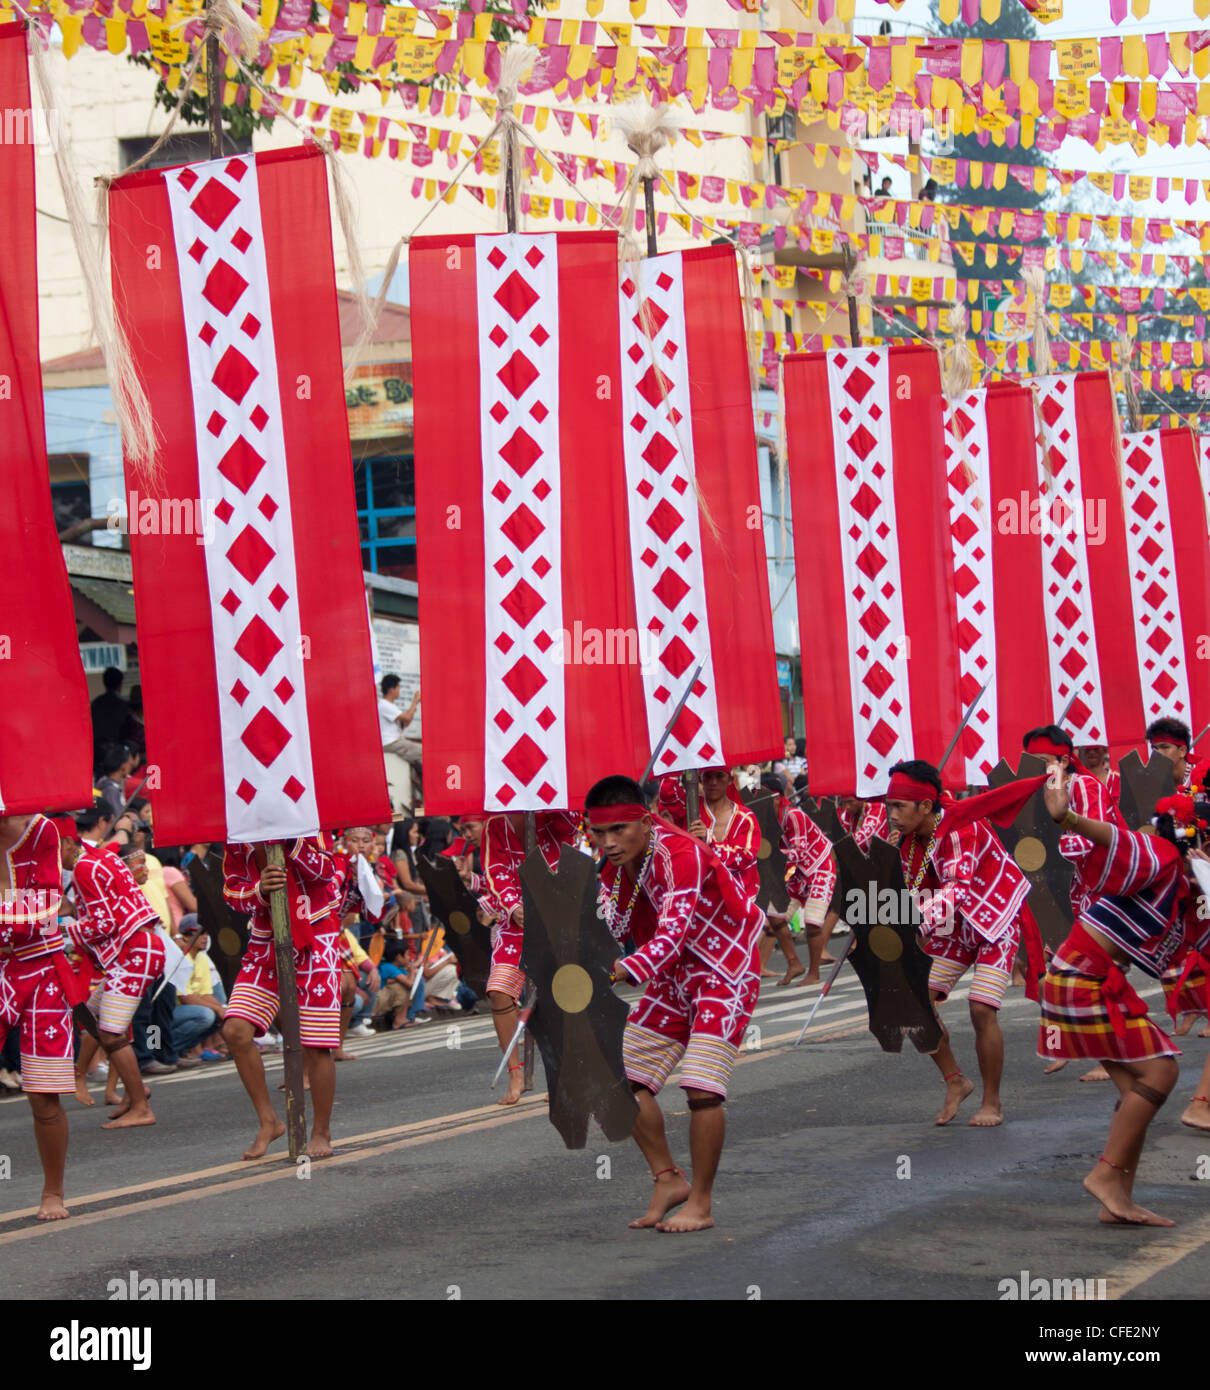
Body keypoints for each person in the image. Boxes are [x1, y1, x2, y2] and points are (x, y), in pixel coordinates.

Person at [588, 775, 764, 1234]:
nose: (607, 842)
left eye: (618, 830)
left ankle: (701, 1203)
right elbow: (612, 924)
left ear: (646, 822)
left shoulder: (680, 853)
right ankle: (668, 1179)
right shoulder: (620, 862)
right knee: (619, 1080)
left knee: (701, 1089)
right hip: (674, 978)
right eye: (598, 833)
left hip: (725, 970)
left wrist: (614, 971)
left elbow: (672, 934)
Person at [1037, 761, 1210, 1226]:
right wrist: (1068, 818)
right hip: (1080, 977)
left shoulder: (1196, 888)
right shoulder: (1163, 856)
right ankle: (1107, 1177)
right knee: (1162, 1072)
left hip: (1087, 978)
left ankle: (1119, 1196)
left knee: (1140, 1088)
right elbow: (1118, 840)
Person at [885, 759, 1034, 1128]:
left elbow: (956, 891)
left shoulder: (958, 828)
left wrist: (909, 921)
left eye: (898, 807)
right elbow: (899, 889)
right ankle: (956, 1080)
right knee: (913, 1006)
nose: (890, 815)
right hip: (953, 928)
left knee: (981, 1009)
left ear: (924, 806)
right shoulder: (905, 837)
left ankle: (992, 1102)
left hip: (993, 919)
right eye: (889, 806)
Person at [222, 837, 341, 1160]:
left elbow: (329, 871)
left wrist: (292, 845)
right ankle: (269, 1121)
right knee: (235, 1030)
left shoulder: (307, 823)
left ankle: (321, 1130)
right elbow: (231, 892)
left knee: (316, 1044)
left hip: (317, 937)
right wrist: (258, 890)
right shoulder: (235, 835)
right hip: (265, 943)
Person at [0, 812, 79, 1219]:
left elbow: (47, 905)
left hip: (39, 965)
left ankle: (53, 1191)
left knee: (42, 1094)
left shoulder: (41, 829)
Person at [67, 805, 165, 1129]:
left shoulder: (84, 867)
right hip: (139, 947)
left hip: (134, 951)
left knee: (110, 1032)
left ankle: (140, 1104)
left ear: (68, 844)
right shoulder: (103, 855)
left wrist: (65, 933)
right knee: (94, 1018)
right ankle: (132, 1092)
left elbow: (104, 922)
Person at [481, 809, 581, 1106]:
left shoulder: (558, 813)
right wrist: (514, 908)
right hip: (514, 926)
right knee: (498, 992)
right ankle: (516, 1074)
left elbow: (571, 845)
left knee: (556, 998)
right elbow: (495, 869)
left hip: (557, 918)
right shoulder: (495, 824)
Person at [761, 773, 835, 985]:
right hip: (797, 874)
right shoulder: (767, 821)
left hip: (820, 868)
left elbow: (799, 852)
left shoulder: (793, 816)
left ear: (776, 799)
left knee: (812, 923)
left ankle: (814, 973)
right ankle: (794, 963)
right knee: (775, 915)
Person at [378, 674, 422, 813]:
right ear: (392, 689)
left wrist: (414, 706)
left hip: (396, 741)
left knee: (419, 756)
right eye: (398, 687)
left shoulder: (390, 705)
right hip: (391, 742)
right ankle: (427, 789)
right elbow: (407, 717)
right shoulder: (384, 704)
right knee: (424, 752)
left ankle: (421, 790)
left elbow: (406, 722)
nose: (399, 691)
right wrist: (415, 701)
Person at [90, 666, 132, 764]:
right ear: (120, 683)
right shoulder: (126, 705)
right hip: (120, 751)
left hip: (99, 750)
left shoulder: (95, 704)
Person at [1147, 717, 1193, 791]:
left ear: (1182, 751)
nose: (1158, 753)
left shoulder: (1203, 780)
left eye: (1164, 747)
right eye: (1154, 748)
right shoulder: (1150, 787)